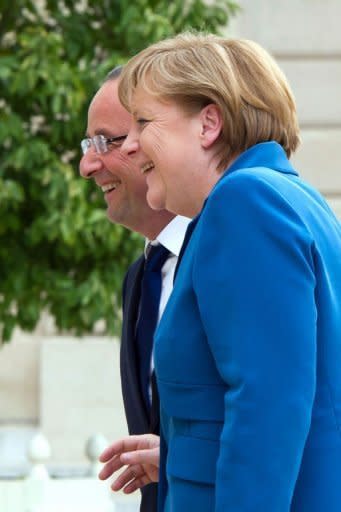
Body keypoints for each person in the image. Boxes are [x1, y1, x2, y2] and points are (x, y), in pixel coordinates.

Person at [112, 33, 341, 511]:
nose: (129, 146)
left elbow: (269, 407)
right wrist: (180, 457)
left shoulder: (245, 204)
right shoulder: (294, 199)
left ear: (208, 123)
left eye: (143, 122)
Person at [79, 67, 190, 512]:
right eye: (88, 145)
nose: (88, 165)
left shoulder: (231, 252)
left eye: (105, 141)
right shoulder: (138, 279)